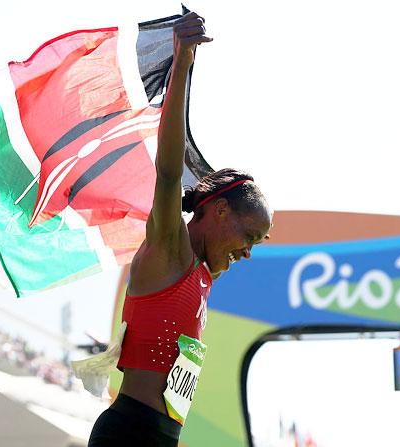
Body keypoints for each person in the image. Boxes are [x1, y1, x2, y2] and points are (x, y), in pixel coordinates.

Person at [86, 12, 272, 447]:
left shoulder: (202, 275)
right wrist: (182, 60)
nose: (247, 253)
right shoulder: (171, 249)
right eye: (249, 237)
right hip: (129, 433)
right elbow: (168, 173)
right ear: (220, 211)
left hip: (158, 436)